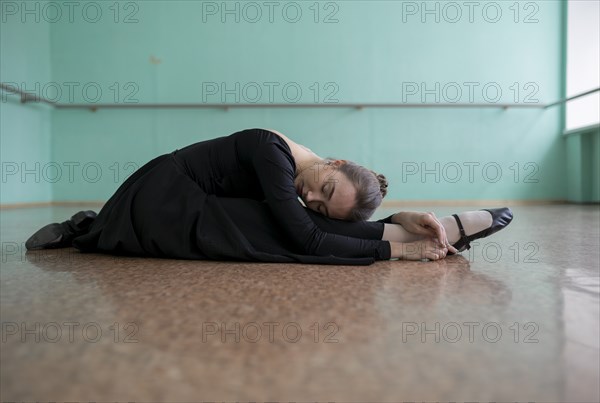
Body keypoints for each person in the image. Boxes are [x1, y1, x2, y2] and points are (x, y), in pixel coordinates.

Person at [25, 128, 513, 265]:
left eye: (322, 202)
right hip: (159, 199)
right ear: (335, 160)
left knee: (283, 223)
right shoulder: (269, 151)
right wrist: (397, 250)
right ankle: (431, 233)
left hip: (193, 206)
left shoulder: (311, 179)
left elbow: (319, 221)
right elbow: (307, 236)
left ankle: (416, 226)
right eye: (323, 188)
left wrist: (401, 214)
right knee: (279, 229)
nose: (312, 196)